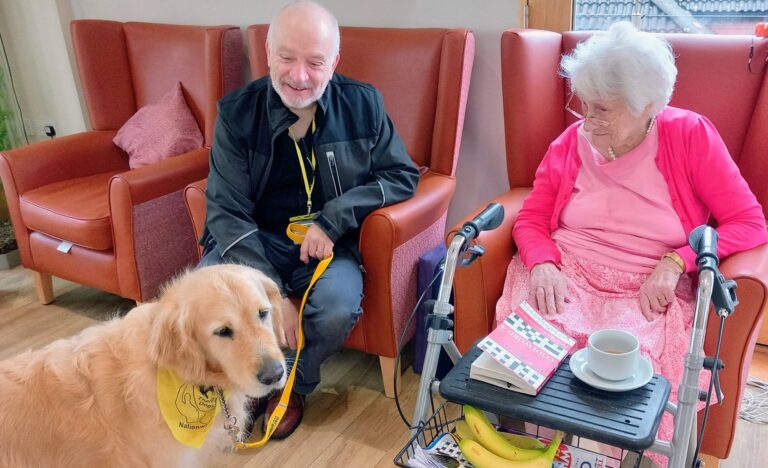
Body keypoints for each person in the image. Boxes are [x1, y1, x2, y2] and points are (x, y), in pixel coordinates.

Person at [496, 21, 767, 464]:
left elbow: (750, 223)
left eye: (603, 109)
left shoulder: (690, 135)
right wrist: (541, 263)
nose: (588, 121)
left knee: (623, 372)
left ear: (648, 106)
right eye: (584, 104)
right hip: (566, 269)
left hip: (645, 281)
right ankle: (535, 453)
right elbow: (531, 219)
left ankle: (612, 458)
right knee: (531, 351)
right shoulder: (570, 142)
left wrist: (677, 262)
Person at [198, 0, 419, 439]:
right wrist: (272, 295)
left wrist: (334, 218)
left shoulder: (364, 104)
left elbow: (401, 175)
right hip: (253, 241)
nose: (299, 76)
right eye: (287, 57)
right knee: (207, 297)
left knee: (336, 307)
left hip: (328, 247)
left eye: (315, 62)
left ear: (333, 62)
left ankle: (292, 385)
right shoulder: (236, 114)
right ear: (267, 52)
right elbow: (226, 210)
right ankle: (242, 381)